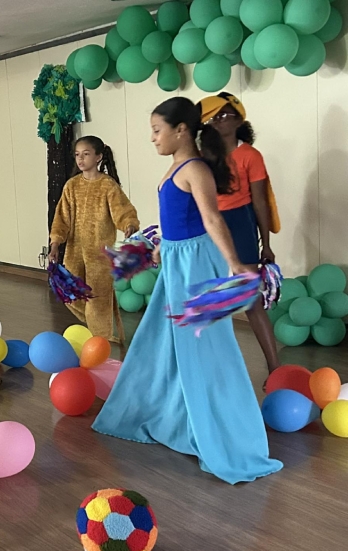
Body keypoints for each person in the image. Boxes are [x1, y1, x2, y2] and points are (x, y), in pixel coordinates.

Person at [91, 98, 282, 485]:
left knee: (205, 348)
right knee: (160, 341)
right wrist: (164, 245)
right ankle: (175, 414)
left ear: (181, 131)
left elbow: (213, 220)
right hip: (178, 259)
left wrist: (235, 262)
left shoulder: (196, 169)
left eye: (157, 130)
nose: (152, 138)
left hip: (196, 263)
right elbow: (181, 218)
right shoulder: (178, 167)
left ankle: (227, 433)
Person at [198, 92, 280, 381]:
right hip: (208, 224)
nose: (221, 120)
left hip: (240, 223)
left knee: (251, 299)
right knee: (210, 295)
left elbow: (260, 202)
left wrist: (266, 244)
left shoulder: (250, 156)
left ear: (239, 119)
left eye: (227, 114)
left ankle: (274, 368)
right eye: (215, 116)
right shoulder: (202, 156)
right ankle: (211, 371)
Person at [48, 136, 140, 342]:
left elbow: (123, 211)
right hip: (74, 252)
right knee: (71, 293)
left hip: (99, 255)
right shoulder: (71, 186)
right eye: (77, 155)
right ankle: (96, 327)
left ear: (98, 157)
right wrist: (55, 244)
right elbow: (61, 219)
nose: (80, 159)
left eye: (86, 154)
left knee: (98, 299)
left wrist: (129, 224)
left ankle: (100, 340)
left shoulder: (108, 186)